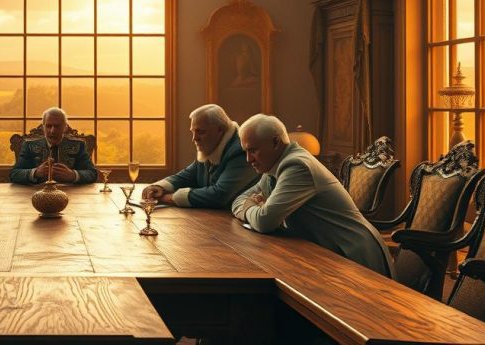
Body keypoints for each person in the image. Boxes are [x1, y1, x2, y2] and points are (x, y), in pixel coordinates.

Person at [231, 113, 393, 277]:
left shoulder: (297, 166)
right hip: (324, 254)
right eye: (246, 151)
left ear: (275, 142)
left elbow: (264, 220)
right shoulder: (272, 167)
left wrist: (249, 206)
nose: (248, 159)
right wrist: (252, 209)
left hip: (353, 256)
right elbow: (237, 200)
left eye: (253, 150)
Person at [141, 104, 257, 208]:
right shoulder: (211, 146)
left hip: (237, 225)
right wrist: (160, 187)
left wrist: (168, 198)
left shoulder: (241, 151)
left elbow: (220, 195)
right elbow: (188, 175)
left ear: (220, 129)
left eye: (200, 132)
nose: (194, 138)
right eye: (193, 132)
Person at [10, 107, 98, 184]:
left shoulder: (79, 146)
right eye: (48, 126)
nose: (52, 131)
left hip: (71, 197)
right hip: (37, 196)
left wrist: (73, 175)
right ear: (43, 127)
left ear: (65, 127)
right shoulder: (29, 146)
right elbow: (14, 174)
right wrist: (36, 172)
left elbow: (92, 174)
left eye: (57, 126)